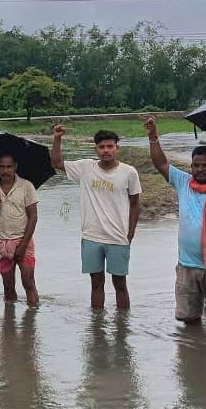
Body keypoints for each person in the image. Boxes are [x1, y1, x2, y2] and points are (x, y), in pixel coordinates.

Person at [144, 115, 206, 329]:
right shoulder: (184, 183)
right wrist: (153, 137)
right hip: (187, 265)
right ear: (191, 166)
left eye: (205, 165)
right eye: (196, 165)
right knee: (189, 318)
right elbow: (160, 162)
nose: (200, 169)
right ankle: (194, 349)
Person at [50, 125, 142, 309]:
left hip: (118, 237)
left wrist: (130, 233)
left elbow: (135, 204)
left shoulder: (129, 172)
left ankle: (123, 324)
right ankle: (97, 324)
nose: (106, 150)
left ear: (117, 148)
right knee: (96, 283)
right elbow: (57, 163)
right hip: (91, 236)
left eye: (110, 146)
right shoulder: (85, 168)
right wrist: (57, 139)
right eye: (101, 147)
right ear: (96, 150)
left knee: (120, 283)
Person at [0, 153, 39, 306]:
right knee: (8, 287)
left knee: (29, 282)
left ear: (15, 167)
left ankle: (32, 318)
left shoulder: (26, 186)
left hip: (23, 240)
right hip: (3, 242)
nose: (5, 171)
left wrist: (23, 246)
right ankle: (9, 320)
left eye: (9, 167)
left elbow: (33, 217)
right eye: (2, 167)